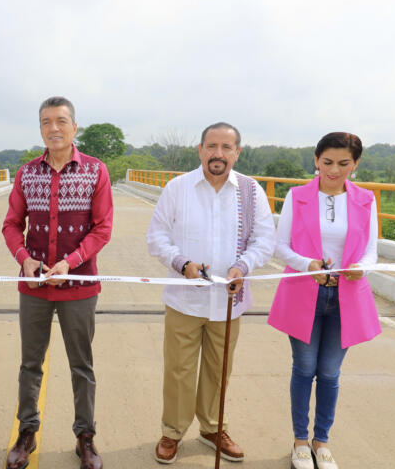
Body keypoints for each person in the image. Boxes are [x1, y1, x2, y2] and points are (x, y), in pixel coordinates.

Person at [147, 122, 275, 464]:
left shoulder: (250, 191)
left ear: (237, 152)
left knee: (219, 369)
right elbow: (157, 237)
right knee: (178, 369)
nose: (218, 154)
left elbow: (265, 239)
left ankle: (212, 428)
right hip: (184, 298)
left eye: (226, 147)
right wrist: (181, 262)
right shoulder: (178, 188)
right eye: (212, 146)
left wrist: (244, 266)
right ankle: (172, 431)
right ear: (200, 149)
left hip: (228, 301)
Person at [2, 96, 113, 469]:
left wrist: (71, 261)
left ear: (74, 127)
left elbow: (102, 229)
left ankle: (86, 437)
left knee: (82, 365)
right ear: (39, 129)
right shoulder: (26, 173)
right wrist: (24, 259)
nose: (54, 128)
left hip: (79, 287)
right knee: (30, 363)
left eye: (61, 121)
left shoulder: (96, 171)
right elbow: (11, 225)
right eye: (46, 122)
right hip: (34, 288)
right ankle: (27, 432)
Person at [268, 132, 380, 469]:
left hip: (346, 297)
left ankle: (322, 441)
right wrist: (307, 265)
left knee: (330, 373)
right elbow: (280, 245)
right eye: (327, 162)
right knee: (304, 369)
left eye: (343, 163)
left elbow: (372, 250)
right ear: (316, 160)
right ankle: (300, 441)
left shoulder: (365, 200)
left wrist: (363, 268)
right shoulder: (297, 196)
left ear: (355, 164)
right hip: (305, 292)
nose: (334, 170)